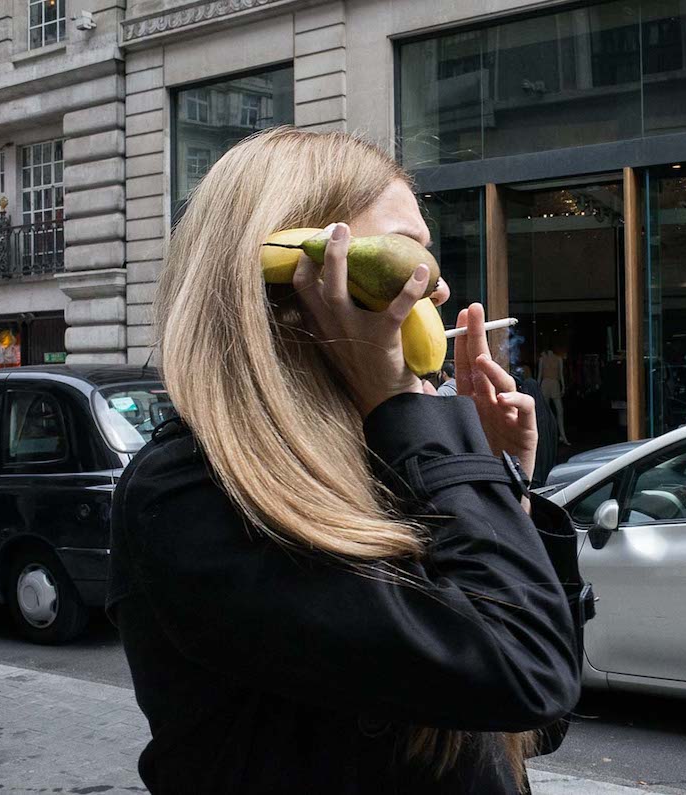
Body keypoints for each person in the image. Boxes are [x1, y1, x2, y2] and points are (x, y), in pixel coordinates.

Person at [106, 128, 585, 795]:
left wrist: (506, 486)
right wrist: (425, 430)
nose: (436, 289)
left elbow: (538, 721)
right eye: (402, 254)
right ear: (299, 281)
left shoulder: (391, 460)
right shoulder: (195, 492)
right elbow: (522, 670)